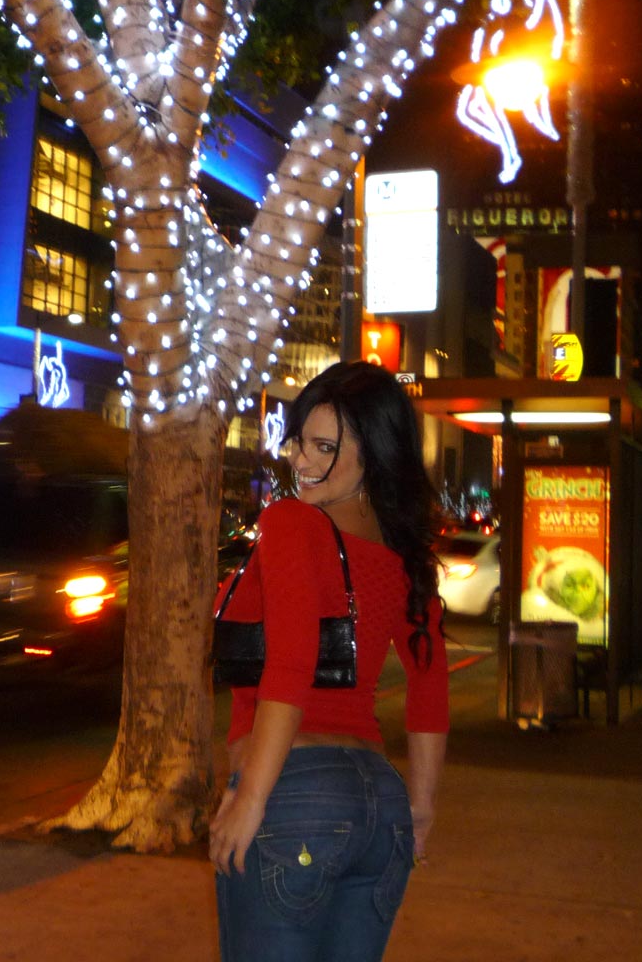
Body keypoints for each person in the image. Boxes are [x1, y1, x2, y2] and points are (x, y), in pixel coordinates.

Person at [208, 361, 449, 961]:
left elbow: (290, 665)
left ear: (374, 454)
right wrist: (420, 811)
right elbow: (429, 687)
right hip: (382, 810)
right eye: (299, 442)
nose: (302, 460)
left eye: (325, 447)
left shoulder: (293, 522)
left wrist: (252, 796)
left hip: (295, 793)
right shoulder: (403, 554)